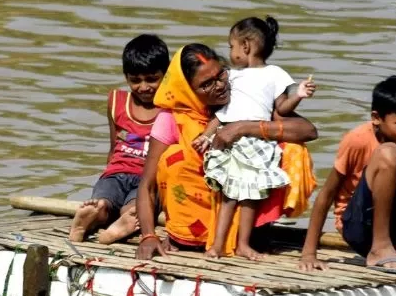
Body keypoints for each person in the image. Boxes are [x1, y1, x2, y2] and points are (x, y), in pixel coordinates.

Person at [134, 43, 319, 261]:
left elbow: (308, 131)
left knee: (294, 150)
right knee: (175, 158)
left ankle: (245, 239)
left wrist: (243, 127)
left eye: (221, 75)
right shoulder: (172, 118)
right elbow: (147, 184)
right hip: (189, 236)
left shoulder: (246, 100)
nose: (220, 86)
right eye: (207, 85)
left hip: (249, 224)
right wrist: (148, 236)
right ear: (188, 90)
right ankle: (189, 238)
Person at [298, 75, 396, 275]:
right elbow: (326, 194)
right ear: (376, 118)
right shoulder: (358, 140)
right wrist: (309, 253)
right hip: (358, 226)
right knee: (389, 151)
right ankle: (380, 248)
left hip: (395, 222)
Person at [194, 17, 316, 260]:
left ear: (246, 47)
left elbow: (281, 109)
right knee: (229, 195)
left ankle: (243, 245)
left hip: (258, 143)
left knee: (251, 196)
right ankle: (217, 246)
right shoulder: (231, 76)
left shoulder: (275, 74)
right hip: (230, 142)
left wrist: (299, 95)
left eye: (232, 46)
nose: (230, 51)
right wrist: (206, 135)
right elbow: (222, 114)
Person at [70, 34, 170, 244]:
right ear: (126, 77)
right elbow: (113, 146)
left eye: (152, 79)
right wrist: (107, 172)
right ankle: (92, 217)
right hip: (116, 173)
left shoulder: (172, 109)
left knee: (126, 206)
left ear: (166, 75)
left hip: (146, 179)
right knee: (106, 202)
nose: (143, 87)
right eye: (135, 80)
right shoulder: (117, 102)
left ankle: (111, 220)